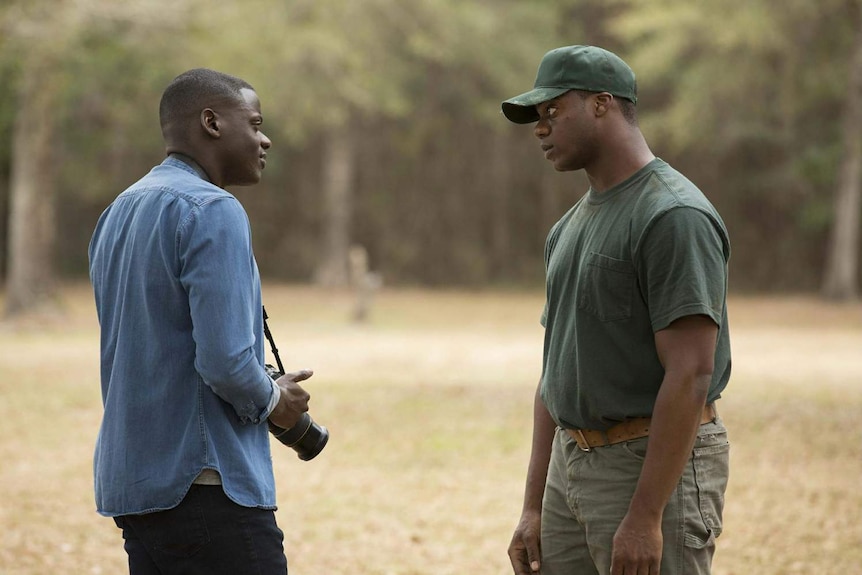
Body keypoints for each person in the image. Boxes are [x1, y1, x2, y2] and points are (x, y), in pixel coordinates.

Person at [502, 46, 732, 575]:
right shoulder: (568, 227)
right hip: (570, 466)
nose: (540, 129)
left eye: (552, 111)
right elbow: (554, 372)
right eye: (536, 118)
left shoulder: (673, 215)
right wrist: (534, 504)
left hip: (646, 467)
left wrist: (646, 514)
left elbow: (691, 371)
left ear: (602, 104)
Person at [88, 68, 314, 574]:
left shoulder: (118, 212)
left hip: (136, 490)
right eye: (254, 123)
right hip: (207, 489)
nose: (265, 138)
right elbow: (227, 364)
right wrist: (280, 401)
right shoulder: (214, 210)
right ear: (211, 122)